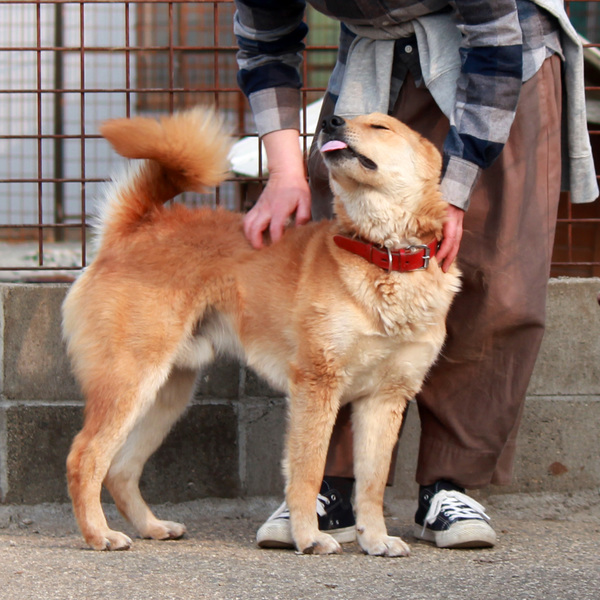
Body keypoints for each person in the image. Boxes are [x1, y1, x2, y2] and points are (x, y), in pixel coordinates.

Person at [233, 0, 598, 549]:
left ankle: (451, 485)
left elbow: (494, 40)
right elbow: (265, 42)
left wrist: (453, 191)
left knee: (494, 277)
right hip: (379, 52)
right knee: (351, 256)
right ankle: (327, 486)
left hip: (502, 54)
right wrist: (285, 171)